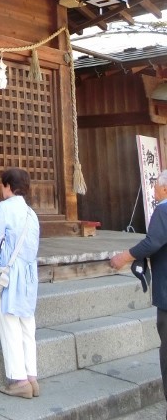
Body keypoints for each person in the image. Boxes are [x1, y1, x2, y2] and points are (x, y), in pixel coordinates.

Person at [110, 169, 167, 414]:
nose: (153, 189)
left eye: (155, 185)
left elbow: (152, 242)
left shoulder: (163, 210)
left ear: (165, 188)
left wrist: (125, 256)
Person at [0, 167, 40, 399]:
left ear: (8, 186)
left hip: (9, 275)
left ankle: (19, 380)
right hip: (28, 275)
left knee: (10, 325)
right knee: (27, 324)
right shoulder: (31, 214)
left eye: (2, 185)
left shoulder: (4, 208)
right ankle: (32, 376)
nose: (1, 189)